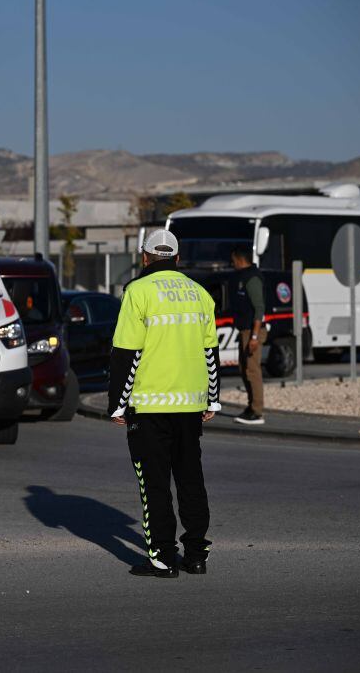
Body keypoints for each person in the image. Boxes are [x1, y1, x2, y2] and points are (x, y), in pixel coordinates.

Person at [108, 229, 221, 578]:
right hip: (189, 405)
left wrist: (118, 404)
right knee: (190, 478)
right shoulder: (200, 294)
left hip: (150, 404)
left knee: (154, 483)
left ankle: (162, 557)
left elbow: (127, 352)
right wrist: (212, 399)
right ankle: (197, 555)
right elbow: (210, 352)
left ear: (144, 257)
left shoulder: (138, 292)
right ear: (177, 257)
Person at [230, 245, 266, 425]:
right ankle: (251, 406)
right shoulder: (241, 277)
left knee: (252, 371)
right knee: (243, 370)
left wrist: (254, 337)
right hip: (244, 330)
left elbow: (259, 308)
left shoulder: (252, 278)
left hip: (253, 331)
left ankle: (257, 411)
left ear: (239, 258)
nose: (232, 263)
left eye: (233, 259)